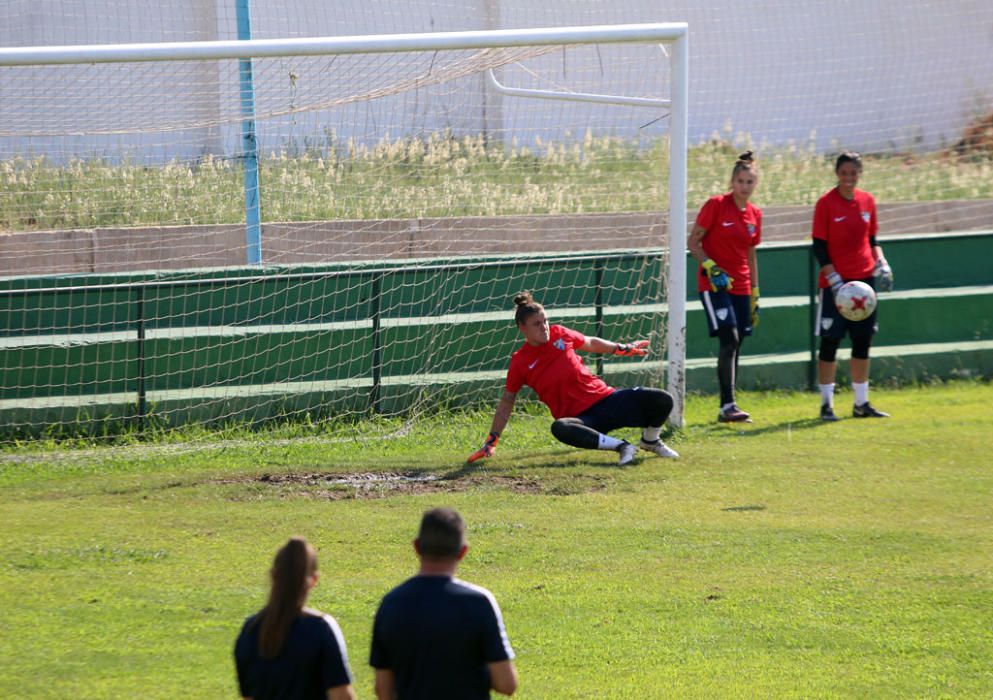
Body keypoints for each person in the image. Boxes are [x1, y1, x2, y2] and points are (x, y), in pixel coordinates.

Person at [465, 291, 679, 467]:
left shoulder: (560, 334)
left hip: (607, 400)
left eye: (545, 321)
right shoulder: (520, 361)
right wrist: (492, 440)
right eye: (536, 324)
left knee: (662, 399)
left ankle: (650, 440)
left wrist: (622, 348)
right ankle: (622, 447)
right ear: (522, 328)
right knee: (560, 427)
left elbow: (590, 342)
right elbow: (507, 401)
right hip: (583, 421)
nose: (544, 327)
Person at [370, 507, 518, 699]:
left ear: (416, 547)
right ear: (463, 552)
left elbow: (383, 689)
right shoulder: (479, 603)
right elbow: (506, 684)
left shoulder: (391, 604)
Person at [812, 151, 894, 420]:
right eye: (844, 173)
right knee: (830, 342)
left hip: (864, 284)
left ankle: (861, 403)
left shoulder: (867, 201)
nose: (849, 179)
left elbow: (872, 240)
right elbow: (819, 246)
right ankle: (826, 404)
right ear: (837, 174)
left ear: (860, 174)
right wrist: (833, 277)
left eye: (853, 173)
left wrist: (881, 262)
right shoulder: (825, 203)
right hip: (835, 285)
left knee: (862, 342)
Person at [687, 150, 762, 423]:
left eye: (750, 182)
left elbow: (751, 255)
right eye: (740, 181)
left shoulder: (755, 214)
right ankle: (726, 405)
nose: (745, 186)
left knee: (737, 341)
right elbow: (693, 243)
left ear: (756, 184)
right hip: (715, 286)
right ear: (732, 182)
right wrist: (711, 267)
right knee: (729, 338)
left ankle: (730, 405)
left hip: (742, 287)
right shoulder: (716, 205)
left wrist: (755, 292)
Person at [234, 537, 356, 700]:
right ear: (313, 580)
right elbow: (341, 696)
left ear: (273, 575)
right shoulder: (321, 628)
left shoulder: (250, 630)